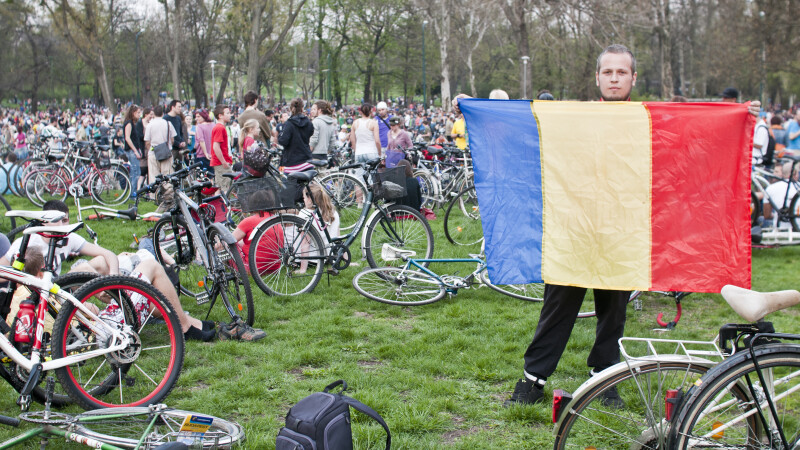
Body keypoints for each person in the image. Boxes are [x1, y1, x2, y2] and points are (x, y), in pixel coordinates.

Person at [144, 105, 176, 210]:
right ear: (162, 113)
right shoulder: (167, 123)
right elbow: (172, 139)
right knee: (167, 175)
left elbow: (147, 141)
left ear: (154, 114)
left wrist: (152, 150)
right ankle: (168, 196)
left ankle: (155, 197)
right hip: (166, 152)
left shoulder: (150, 125)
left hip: (153, 153)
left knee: (154, 176)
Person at [277, 98, 314, 174]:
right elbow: (310, 134)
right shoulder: (309, 123)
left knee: (285, 184)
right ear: (302, 108)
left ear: (291, 109)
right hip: (306, 160)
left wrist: (280, 134)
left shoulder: (289, 123)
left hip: (292, 162)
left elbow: (283, 141)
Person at [763, 161, 798, 229]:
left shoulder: (770, 188)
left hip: (778, 227)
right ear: (794, 174)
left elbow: (766, 215)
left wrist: (776, 215)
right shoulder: (798, 187)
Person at [211, 104, 234, 192]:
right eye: (227, 113)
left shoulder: (220, 127)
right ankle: (224, 206)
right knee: (225, 190)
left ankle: (217, 205)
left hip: (220, 162)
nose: (230, 115)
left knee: (219, 189)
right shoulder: (220, 128)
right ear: (220, 116)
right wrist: (224, 162)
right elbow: (216, 146)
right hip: (221, 164)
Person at [122, 105, 142, 193]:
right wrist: (135, 150)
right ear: (133, 113)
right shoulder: (129, 123)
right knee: (136, 172)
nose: (139, 114)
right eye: (138, 113)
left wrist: (138, 149)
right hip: (131, 151)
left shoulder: (133, 123)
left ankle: (133, 192)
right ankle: (133, 193)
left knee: (135, 172)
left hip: (134, 149)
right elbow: (127, 138)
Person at [136, 107, 153, 189]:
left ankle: (148, 189)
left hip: (149, 149)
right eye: (150, 114)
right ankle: (139, 188)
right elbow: (139, 136)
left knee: (150, 170)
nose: (152, 116)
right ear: (146, 114)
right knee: (143, 170)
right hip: (143, 148)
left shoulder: (151, 123)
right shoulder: (140, 123)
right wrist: (147, 137)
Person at [194, 109, 214, 173]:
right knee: (211, 175)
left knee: (202, 177)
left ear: (203, 116)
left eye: (198, 116)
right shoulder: (213, 124)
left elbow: (201, 140)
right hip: (213, 154)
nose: (196, 118)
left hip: (202, 155)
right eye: (196, 117)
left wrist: (206, 153)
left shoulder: (199, 126)